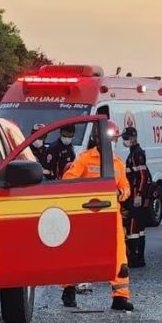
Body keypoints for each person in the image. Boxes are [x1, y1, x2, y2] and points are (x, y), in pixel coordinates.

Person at [61, 120, 134, 311]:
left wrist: (121, 194)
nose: (113, 142)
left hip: (111, 216)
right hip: (86, 215)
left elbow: (125, 187)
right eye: (111, 138)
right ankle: (68, 289)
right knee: (76, 253)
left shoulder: (118, 163)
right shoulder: (85, 159)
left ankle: (120, 297)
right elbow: (68, 181)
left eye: (114, 139)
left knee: (119, 257)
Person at [121, 127, 152, 268]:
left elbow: (142, 176)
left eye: (127, 138)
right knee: (138, 229)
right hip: (135, 196)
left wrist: (139, 194)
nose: (126, 141)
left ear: (134, 137)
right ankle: (139, 258)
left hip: (136, 196)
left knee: (133, 229)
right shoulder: (133, 153)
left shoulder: (137, 154)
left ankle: (135, 258)